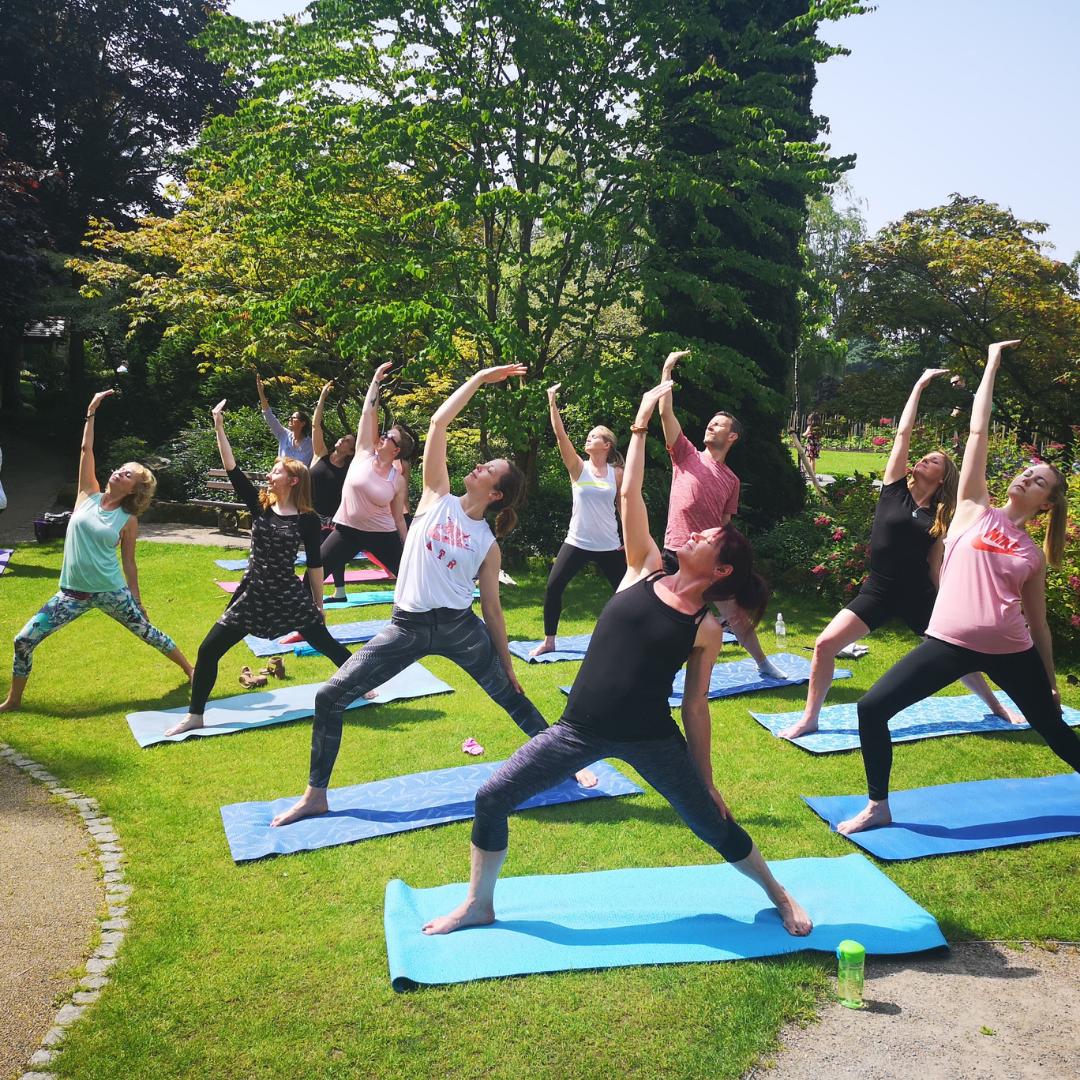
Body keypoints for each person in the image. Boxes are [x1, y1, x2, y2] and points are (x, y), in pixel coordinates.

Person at [421, 380, 812, 937]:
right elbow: (630, 497)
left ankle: (778, 893)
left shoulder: (705, 628)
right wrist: (639, 425)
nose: (693, 535)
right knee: (491, 798)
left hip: (652, 738)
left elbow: (695, 710)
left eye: (705, 537)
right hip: (577, 730)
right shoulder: (643, 566)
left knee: (711, 822)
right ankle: (479, 904)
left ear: (721, 569)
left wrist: (706, 780)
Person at [270, 363, 598, 828]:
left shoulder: (487, 543)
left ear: (497, 494)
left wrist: (505, 662)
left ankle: (568, 762)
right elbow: (439, 423)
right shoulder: (435, 496)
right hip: (406, 627)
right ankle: (315, 796)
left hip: (460, 628)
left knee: (513, 698)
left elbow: (493, 610)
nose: (479, 466)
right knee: (330, 696)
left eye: (490, 469)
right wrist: (481, 378)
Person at [838, 341, 1080, 835]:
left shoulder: (1031, 554)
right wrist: (992, 362)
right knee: (871, 708)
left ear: (1046, 503)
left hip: (1012, 651)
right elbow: (977, 430)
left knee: (1053, 728)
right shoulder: (972, 506)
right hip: (947, 643)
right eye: (1026, 472)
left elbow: (1037, 624)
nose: (1025, 478)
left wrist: (1051, 679)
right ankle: (879, 804)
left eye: (1037, 481)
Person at [780, 368, 1017, 739]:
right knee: (825, 644)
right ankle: (811, 718)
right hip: (878, 590)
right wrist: (919, 385)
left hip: (918, 596)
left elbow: (935, 566)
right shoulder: (893, 491)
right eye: (923, 457)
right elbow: (903, 434)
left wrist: (948, 602)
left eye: (933, 461)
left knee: (959, 656)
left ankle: (997, 706)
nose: (922, 460)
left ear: (941, 478)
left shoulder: (940, 517)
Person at [164, 400, 354, 737]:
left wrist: (319, 604)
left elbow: (314, 563)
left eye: (276, 471)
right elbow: (232, 467)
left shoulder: (307, 519)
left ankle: (360, 685)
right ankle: (196, 715)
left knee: (327, 644)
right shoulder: (261, 506)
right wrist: (218, 425)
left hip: (289, 597)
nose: (270, 474)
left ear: (293, 481)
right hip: (252, 595)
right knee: (208, 650)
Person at [1, 391, 192, 712]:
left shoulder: (127, 519)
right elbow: (85, 449)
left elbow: (129, 563)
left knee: (148, 632)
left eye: (128, 474)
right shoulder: (85, 494)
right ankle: (14, 700)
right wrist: (91, 411)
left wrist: (138, 600)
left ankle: (190, 670)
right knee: (23, 640)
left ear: (135, 489)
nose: (119, 472)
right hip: (70, 594)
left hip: (110, 592)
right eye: (120, 468)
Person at [658, 349, 786, 680]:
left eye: (719, 424)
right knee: (663, 613)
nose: (711, 425)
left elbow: (726, 525)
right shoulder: (685, 454)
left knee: (738, 616)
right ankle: (658, 672)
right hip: (675, 551)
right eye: (710, 422)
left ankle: (763, 665)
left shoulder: (731, 480)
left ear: (732, 437)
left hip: (710, 561)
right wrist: (668, 369)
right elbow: (665, 414)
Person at [529, 383, 625, 657]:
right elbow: (561, 437)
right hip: (578, 541)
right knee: (553, 587)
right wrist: (551, 401)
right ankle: (549, 641)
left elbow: (624, 506)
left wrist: (630, 539)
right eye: (588, 435)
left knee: (626, 595)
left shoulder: (616, 472)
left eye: (595, 436)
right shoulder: (578, 468)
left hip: (609, 544)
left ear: (607, 445)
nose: (588, 438)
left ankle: (627, 638)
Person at [320, 363, 415, 602]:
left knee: (410, 580)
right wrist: (375, 381)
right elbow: (367, 415)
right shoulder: (363, 453)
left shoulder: (397, 479)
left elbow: (397, 518)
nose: (382, 436)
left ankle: (439, 622)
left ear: (396, 450)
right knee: (313, 576)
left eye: (389, 437)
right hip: (346, 531)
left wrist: (407, 547)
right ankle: (306, 625)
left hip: (381, 535)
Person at [309, 380, 357, 592]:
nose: (341, 440)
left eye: (347, 441)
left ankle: (339, 591)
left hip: (333, 518)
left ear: (352, 450)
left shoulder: (351, 467)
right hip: (310, 513)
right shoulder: (321, 454)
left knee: (329, 553)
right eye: (343, 438)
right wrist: (322, 398)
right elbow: (315, 426)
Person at [256, 373, 314, 466]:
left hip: (299, 479)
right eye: (290, 417)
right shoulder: (284, 435)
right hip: (280, 477)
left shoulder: (311, 444)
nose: (290, 419)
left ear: (303, 423)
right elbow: (268, 416)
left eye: (293, 418)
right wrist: (261, 393)